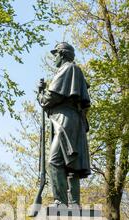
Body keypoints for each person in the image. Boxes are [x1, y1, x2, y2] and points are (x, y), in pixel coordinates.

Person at [37, 42, 91, 206]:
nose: (54, 59)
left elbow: (49, 99)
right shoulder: (74, 70)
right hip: (69, 119)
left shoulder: (67, 69)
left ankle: (60, 201)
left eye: (55, 55)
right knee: (70, 162)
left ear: (62, 54)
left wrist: (40, 94)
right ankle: (74, 202)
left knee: (55, 161)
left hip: (65, 120)